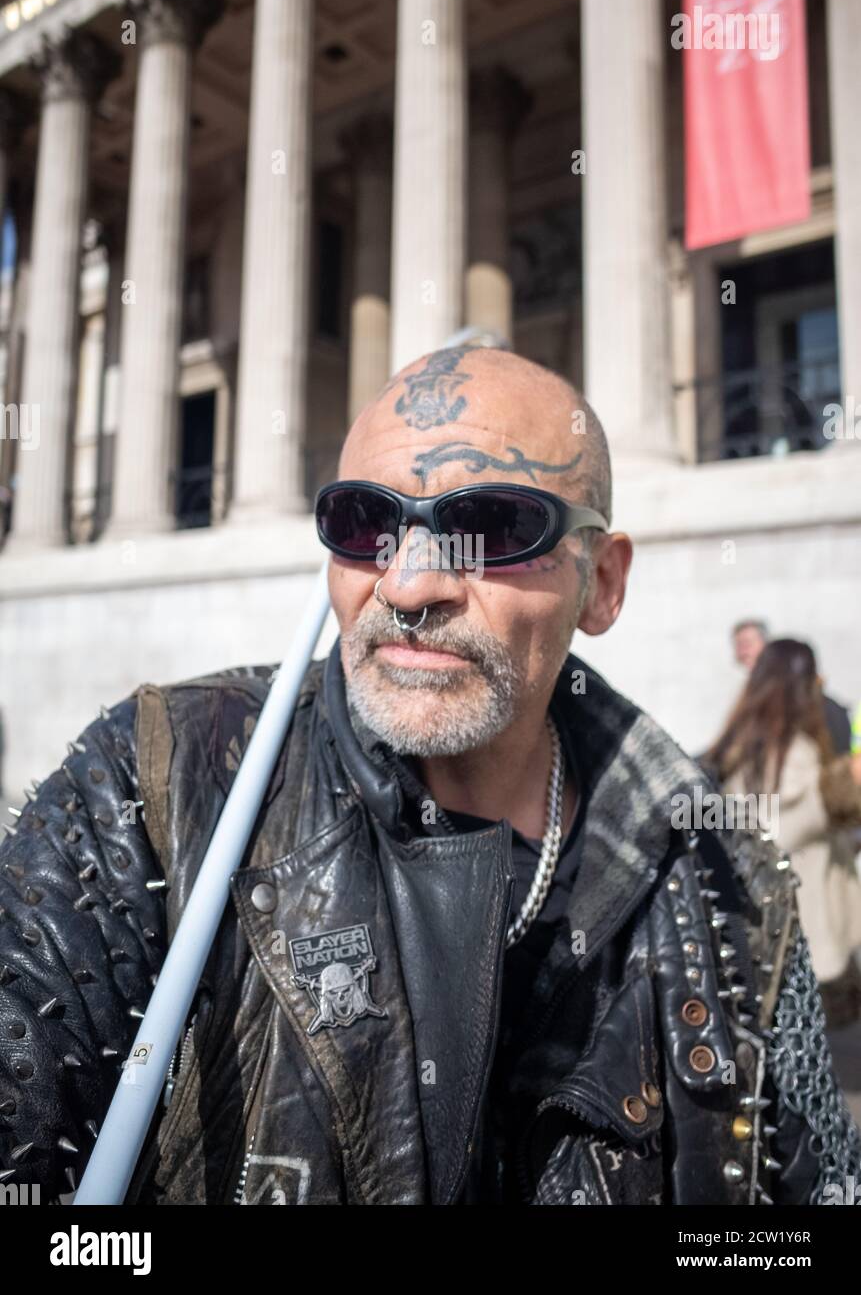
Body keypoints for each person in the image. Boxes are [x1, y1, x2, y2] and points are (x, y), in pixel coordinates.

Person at [1, 348, 858, 1206]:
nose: (410, 586)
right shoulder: (150, 784)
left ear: (601, 582)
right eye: (365, 522)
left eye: (487, 525)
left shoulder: (724, 878)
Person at [707, 639, 861, 1031]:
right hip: (794, 937)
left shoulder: (749, 745)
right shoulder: (780, 751)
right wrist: (844, 785)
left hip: (784, 932)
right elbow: (783, 825)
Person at [731, 621, 852, 754]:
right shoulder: (755, 698)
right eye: (738, 645)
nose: (742, 651)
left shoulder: (818, 708)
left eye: (747, 643)